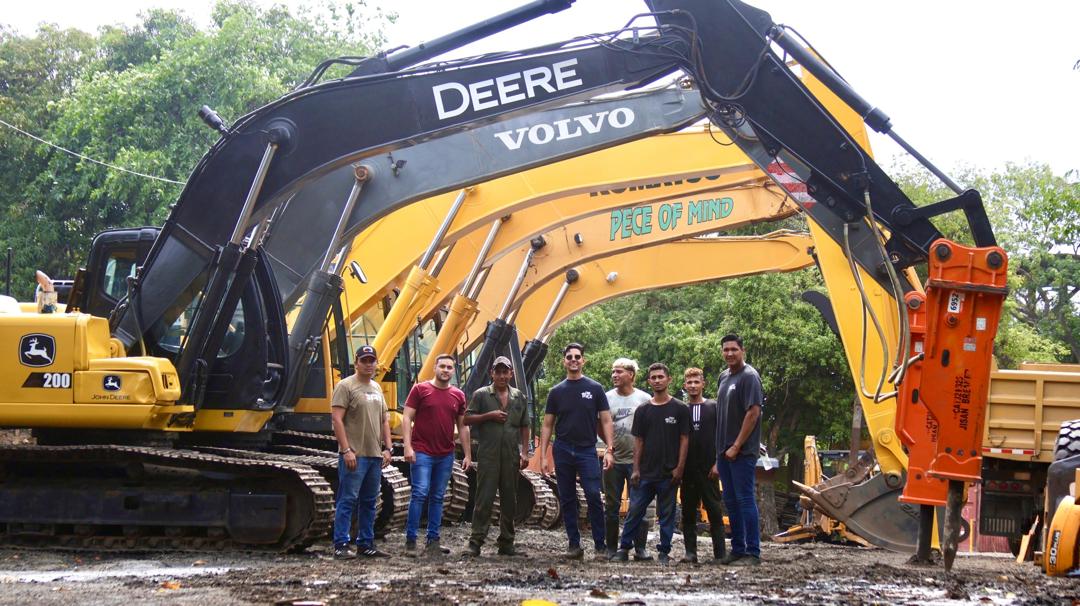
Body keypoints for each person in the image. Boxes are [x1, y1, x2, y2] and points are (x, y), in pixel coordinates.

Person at [540, 342, 616, 560]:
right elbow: (547, 424)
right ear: (564, 361)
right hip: (563, 449)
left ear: (583, 360)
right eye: (569, 357)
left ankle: (600, 547)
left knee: (593, 494)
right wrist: (544, 455)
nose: (573, 360)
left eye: (577, 356)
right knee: (567, 498)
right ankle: (574, 545)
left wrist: (609, 449)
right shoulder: (556, 392)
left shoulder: (595, 389)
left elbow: (606, 419)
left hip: (586, 450)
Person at [612, 363, 689, 564]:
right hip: (645, 473)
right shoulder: (643, 410)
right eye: (653, 377)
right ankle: (624, 548)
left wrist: (679, 468)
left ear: (669, 379)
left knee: (667, 515)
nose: (657, 380)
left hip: (668, 473)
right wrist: (636, 469)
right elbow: (639, 441)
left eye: (660, 377)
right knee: (635, 511)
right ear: (649, 381)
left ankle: (664, 552)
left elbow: (684, 440)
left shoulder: (680, 408)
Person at [402, 353, 472, 557]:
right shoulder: (420, 390)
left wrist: (467, 454)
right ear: (434, 367)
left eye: (449, 367)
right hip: (422, 451)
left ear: (454, 371)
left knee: (438, 497)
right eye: (442, 366)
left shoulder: (458, 395)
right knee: (420, 492)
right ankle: (411, 541)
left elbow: (463, 426)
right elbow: (407, 417)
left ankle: (433, 541)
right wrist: (408, 446)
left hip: (445, 454)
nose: (445, 370)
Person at [463, 356, 531, 557]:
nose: (502, 375)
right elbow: (466, 419)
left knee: (510, 499)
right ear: (492, 373)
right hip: (488, 455)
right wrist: (488, 416)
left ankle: (507, 543)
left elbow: (525, 426)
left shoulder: (519, 397)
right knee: (484, 498)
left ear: (511, 373)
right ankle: (475, 542)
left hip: (511, 455)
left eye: (505, 371)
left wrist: (525, 452)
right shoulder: (481, 395)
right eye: (498, 371)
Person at [331, 345, 394, 559]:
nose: (368, 364)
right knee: (348, 499)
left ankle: (365, 543)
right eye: (364, 360)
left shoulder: (377, 387)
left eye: (371, 360)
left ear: (376, 363)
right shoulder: (345, 386)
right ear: (356, 362)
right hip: (354, 456)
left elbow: (384, 420)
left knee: (369, 501)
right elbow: (337, 419)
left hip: (375, 456)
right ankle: (341, 544)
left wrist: (388, 448)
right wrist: (346, 450)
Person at [715, 334, 764, 566]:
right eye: (726, 350)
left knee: (745, 499)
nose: (729, 354)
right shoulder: (724, 377)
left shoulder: (750, 377)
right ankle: (737, 549)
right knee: (731, 501)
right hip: (723, 451)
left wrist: (737, 445)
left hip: (742, 452)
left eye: (734, 349)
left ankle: (753, 553)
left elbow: (753, 412)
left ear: (742, 351)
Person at [603, 358, 652, 561]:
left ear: (631, 374)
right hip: (614, 460)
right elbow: (602, 424)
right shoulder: (606, 398)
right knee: (612, 506)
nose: (614, 375)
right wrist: (608, 449)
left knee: (639, 505)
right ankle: (611, 548)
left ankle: (640, 549)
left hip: (637, 462)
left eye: (619, 372)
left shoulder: (644, 399)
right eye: (613, 372)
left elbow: (651, 428)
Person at [680, 367, 727, 564]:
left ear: (703, 384)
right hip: (687, 470)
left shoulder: (714, 407)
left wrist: (719, 463)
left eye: (696, 382)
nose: (692, 386)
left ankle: (720, 554)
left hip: (709, 470)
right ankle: (690, 553)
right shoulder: (681, 409)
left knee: (715, 512)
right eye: (689, 382)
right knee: (688, 512)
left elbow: (723, 437)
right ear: (684, 385)